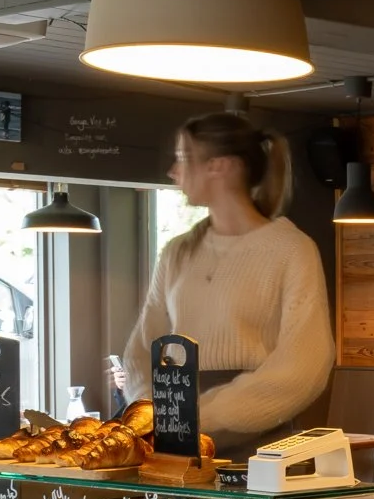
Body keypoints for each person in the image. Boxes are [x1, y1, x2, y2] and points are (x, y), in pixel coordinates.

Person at [123, 112, 334, 459]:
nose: (173, 171)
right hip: (170, 439)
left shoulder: (291, 249)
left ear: (220, 166)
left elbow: (304, 364)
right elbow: (142, 348)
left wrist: (202, 414)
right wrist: (154, 414)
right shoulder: (178, 251)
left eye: (183, 157)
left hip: (258, 443)